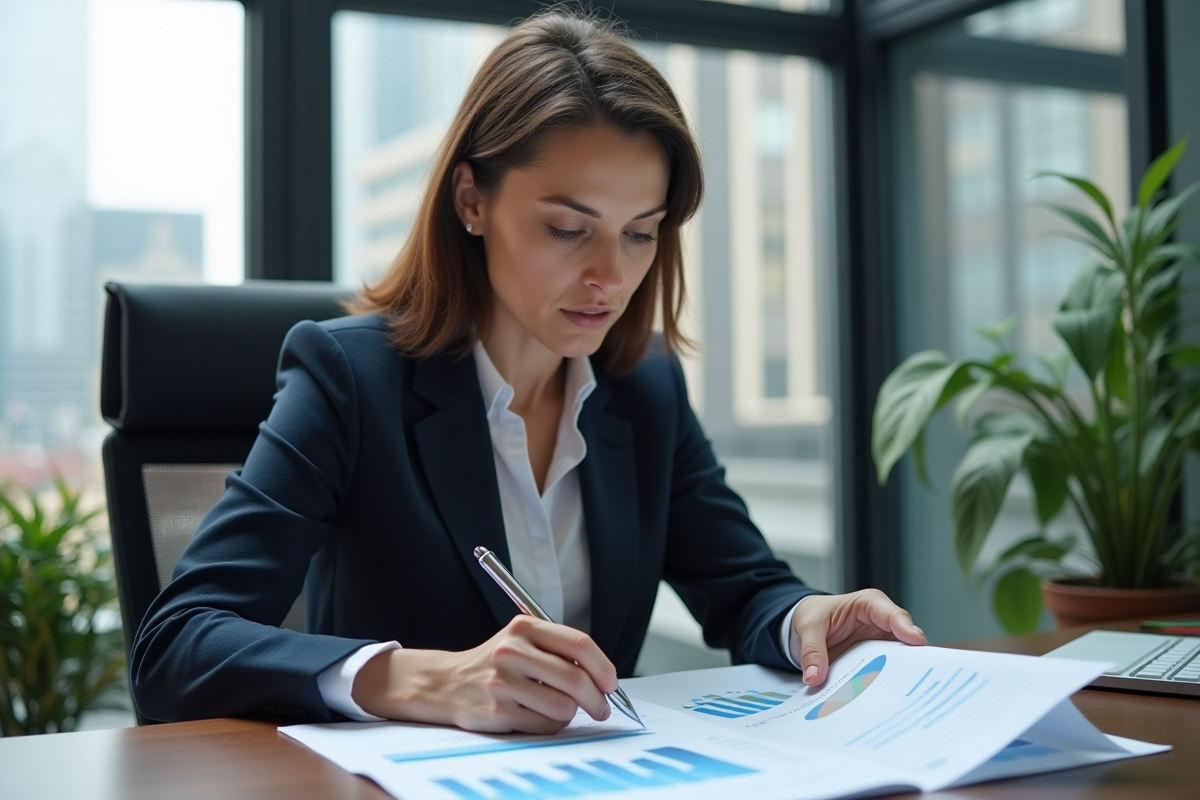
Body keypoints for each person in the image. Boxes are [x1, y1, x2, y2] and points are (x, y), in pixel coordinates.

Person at [129, 8, 925, 734]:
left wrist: (807, 618)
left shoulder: (643, 387)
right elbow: (177, 644)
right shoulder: (347, 379)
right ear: (471, 200)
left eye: (641, 234)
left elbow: (746, 588)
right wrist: (418, 678)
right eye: (568, 228)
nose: (610, 276)